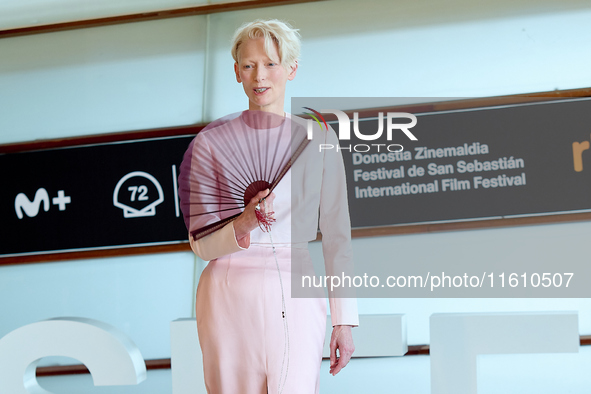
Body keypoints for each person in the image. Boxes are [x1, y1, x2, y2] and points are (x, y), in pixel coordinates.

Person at [181, 19, 358, 394]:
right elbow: (200, 245)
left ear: (291, 69)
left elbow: (338, 237)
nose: (259, 75)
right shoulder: (212, 143)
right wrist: (243, 224)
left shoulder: (320, 138)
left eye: (271, 63)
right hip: (227, 291)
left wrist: (345, 320)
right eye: (248, 65)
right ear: (236, 72)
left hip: (297, 287)